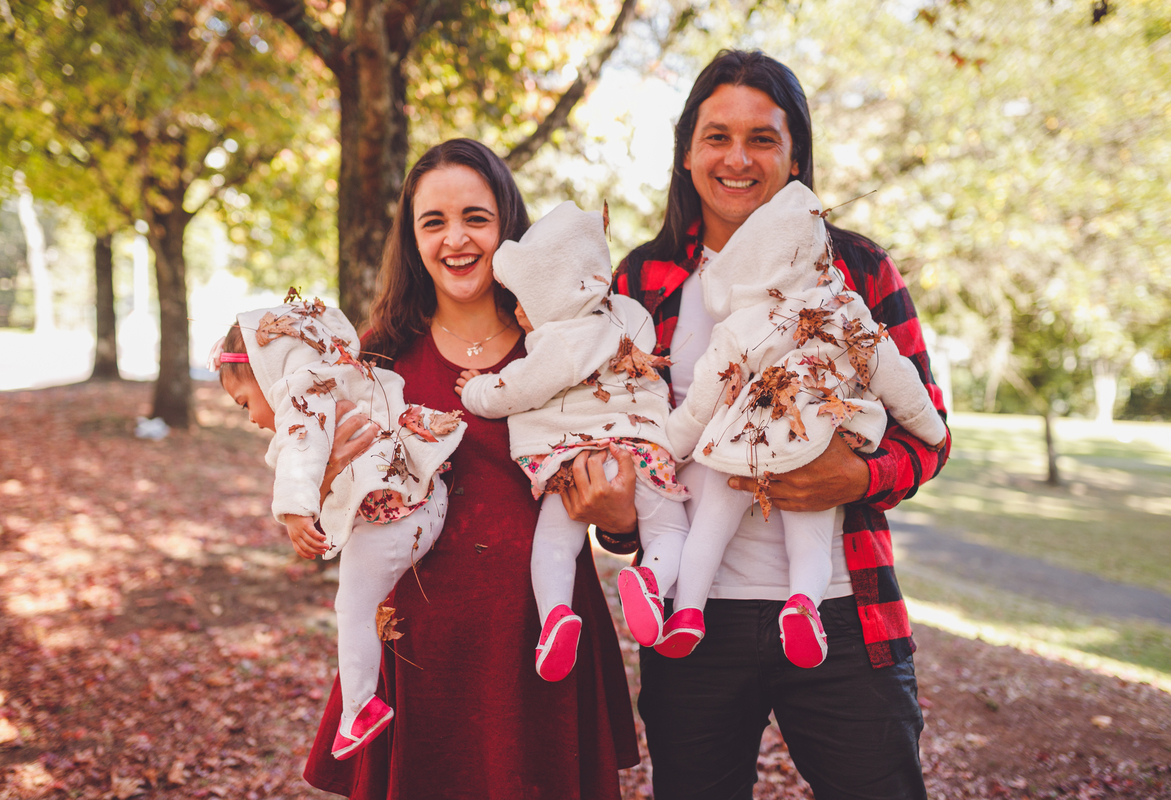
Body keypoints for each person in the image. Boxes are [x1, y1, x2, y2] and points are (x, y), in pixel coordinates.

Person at [579, 49, 951, 799]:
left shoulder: (858, 271)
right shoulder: (641, 283)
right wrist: (617, 524)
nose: (738, 158)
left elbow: (929, 430)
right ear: (688, 154)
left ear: (795, 156)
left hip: (845, 613)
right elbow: (619, 444)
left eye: (762, 138)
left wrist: (859, 477)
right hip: (696, 621)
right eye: (717, 136)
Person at [300, 138, 638, 800]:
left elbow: (622, 478)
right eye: (434, 222)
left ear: (507, 228)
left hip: (542, 632)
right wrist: (324, 490)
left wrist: (621, 511)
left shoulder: (571, 347)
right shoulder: (379, 360)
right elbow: (332, 507)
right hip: (420, 642)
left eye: (475, 218)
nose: (456, 238)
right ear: (414, 239)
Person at [660, 180, 947, 670]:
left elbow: (707, 392)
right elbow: (898, 380)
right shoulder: (848, 312)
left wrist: (672, 447)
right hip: (810, 440)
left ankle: (687, 610)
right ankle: (803, 607)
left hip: (743, 444)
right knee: (810, 543)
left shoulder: (747, 321)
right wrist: (931, 429)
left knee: (709, 526)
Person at [211, 299, 465, 760]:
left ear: (269, 375)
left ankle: (360, 708)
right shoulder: (345, 377)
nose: (250, 417)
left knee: (352, 607)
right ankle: (360, 705)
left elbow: (300, 448)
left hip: (394, 524)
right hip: (428, 501)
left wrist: (294, 510)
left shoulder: (304, 399)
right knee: (360, 603)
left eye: (245, 401)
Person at [456, 200, 691, 678]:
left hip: (575, 460)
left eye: (526, 297)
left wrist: (476, 389)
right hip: (643, 451)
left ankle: (557, 617)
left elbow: (516, 389)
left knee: (554, 547)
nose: (519, 309)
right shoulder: (628, 313)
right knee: (670, 532)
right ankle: (649, 581)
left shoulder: (560, 341)